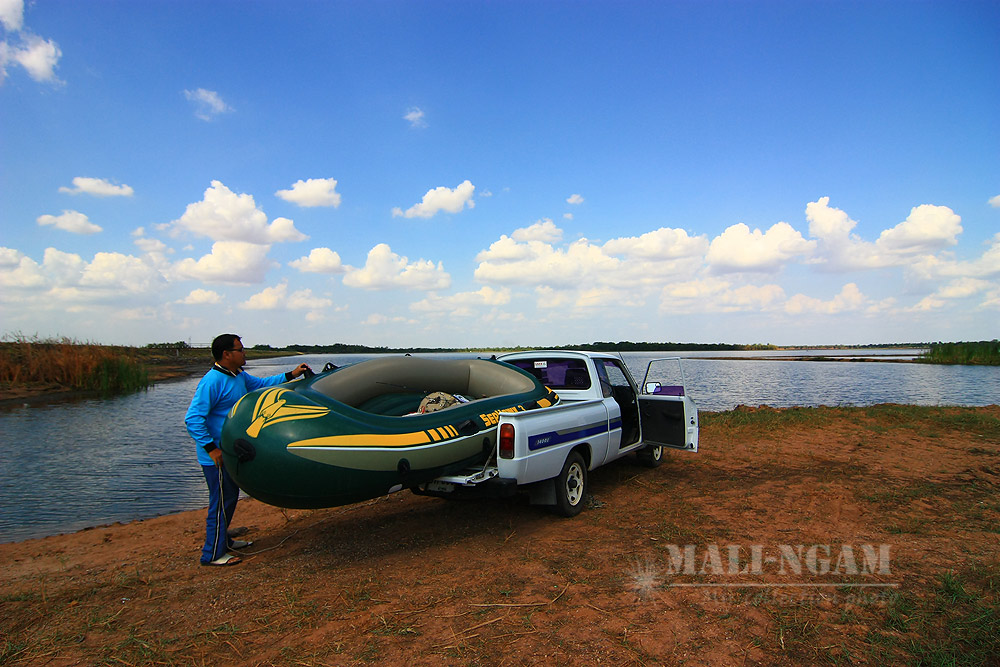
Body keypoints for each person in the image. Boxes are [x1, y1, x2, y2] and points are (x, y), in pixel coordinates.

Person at [185, 334, 311, 566]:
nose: (245, 353)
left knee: (230, 498)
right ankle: (212, 555)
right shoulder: (212, 381)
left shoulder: (238, 375)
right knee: (221, 501)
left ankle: (224, 542)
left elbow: (261, 385)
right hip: (216, 457)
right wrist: (212, 449)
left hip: (230, 453)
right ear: (227, 354)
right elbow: (193, 419)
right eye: (241, 350)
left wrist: (291, 375)